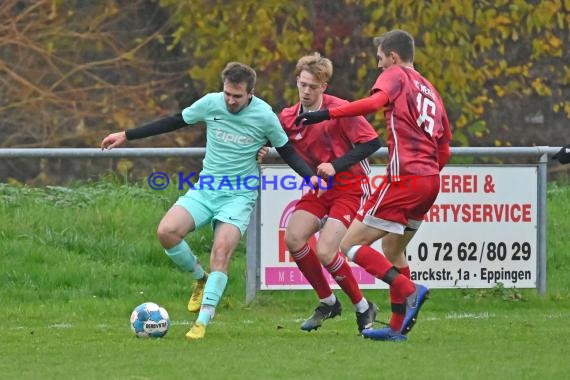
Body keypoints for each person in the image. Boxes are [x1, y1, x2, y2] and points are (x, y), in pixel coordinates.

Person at [101, 62, 320, 340]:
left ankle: (202, 321)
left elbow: (287, 150)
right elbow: (174, 120)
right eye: (227, 93)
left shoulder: (265, 115)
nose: (230, 100)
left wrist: (309, 177)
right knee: (166, 232)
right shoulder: (211, 103)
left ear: (250, 93)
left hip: (239, 195)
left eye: (237, 96)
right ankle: (200, 279)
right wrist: (126, 135)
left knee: (221, 252)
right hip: (207, 188)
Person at [296, 29, 453, 341]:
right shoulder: (431, 90)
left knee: (347, 245)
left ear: (393, 57)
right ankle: (396, 329)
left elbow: (374, 103)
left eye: (380, 60)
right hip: (430, 180)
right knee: (393, 248)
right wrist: (426, 176)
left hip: (405, 177)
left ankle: (409, 290)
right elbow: (444, 146)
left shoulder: (397, 74)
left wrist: (326, 113)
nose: (380, 67)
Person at [261, 53, 381, 333]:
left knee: (327, 251)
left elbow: (372, 142)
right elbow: (276, 139)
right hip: (320, 187)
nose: (305, 91)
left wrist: (335, 165)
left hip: (350, 185)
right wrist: (263, 146)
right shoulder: (289, 117)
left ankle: (364, 307)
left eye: (312, 87)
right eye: (302, 84)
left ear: (324, 86)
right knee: (294, 238)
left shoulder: (341, 109)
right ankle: (328, 302)